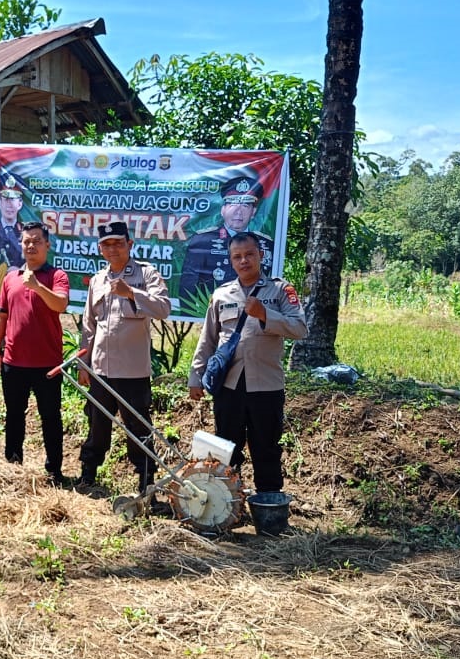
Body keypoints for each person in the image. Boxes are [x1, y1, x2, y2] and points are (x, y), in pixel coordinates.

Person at [188, 233, 307, 496]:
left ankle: (268, 502)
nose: (244, 261)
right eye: (237, 257)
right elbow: (208, 339)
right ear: (231, 261)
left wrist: (265, 314)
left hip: (266, 385)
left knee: (266, 447)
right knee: (226, 447)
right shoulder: (222, 294)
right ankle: (227, 500)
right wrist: (196, 376)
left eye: (249, 254)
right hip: (228, 386)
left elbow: (300, 328)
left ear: (261, 255)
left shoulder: (280, 291)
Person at [77, 221, 171, 493]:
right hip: (100, 369)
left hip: (133, 371)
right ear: (100, 249)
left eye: (118, 243)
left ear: (130, 244)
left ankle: (146, 483)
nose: (113, 249)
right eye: (107, 244)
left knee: (138, 427)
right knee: (96, 424)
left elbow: (163, 308)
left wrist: (131, 292)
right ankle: (88, 476)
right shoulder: (98, 280)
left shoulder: (146, 274)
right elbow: (89, 326)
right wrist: (84, 363)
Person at [0, 222, 70, 482]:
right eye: (26, 241)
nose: (31, 245)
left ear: (47, 245)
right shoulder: (10, 278)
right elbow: (1, 317)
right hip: (14, 362)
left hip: (48, 363)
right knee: (14, 415)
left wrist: (37, 287)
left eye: (37, 241)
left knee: (51, 418)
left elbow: (60, 305)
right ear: (21, 245)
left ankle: (54, 470)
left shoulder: (57, 276)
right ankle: (13, 465)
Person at [178, 174, 276, 304]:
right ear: (223, 210)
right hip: (213, 312)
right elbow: (187, 289)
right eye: (233, 205)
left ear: (253, 212)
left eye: (245, 205)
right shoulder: (202, 241)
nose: (238, 212)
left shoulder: (266, 245)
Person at [0, 171, 26, 268]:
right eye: (6, 199)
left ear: (20, 204)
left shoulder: (27, 232)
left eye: (13, 199)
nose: (9, 205)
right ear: (0, 203)